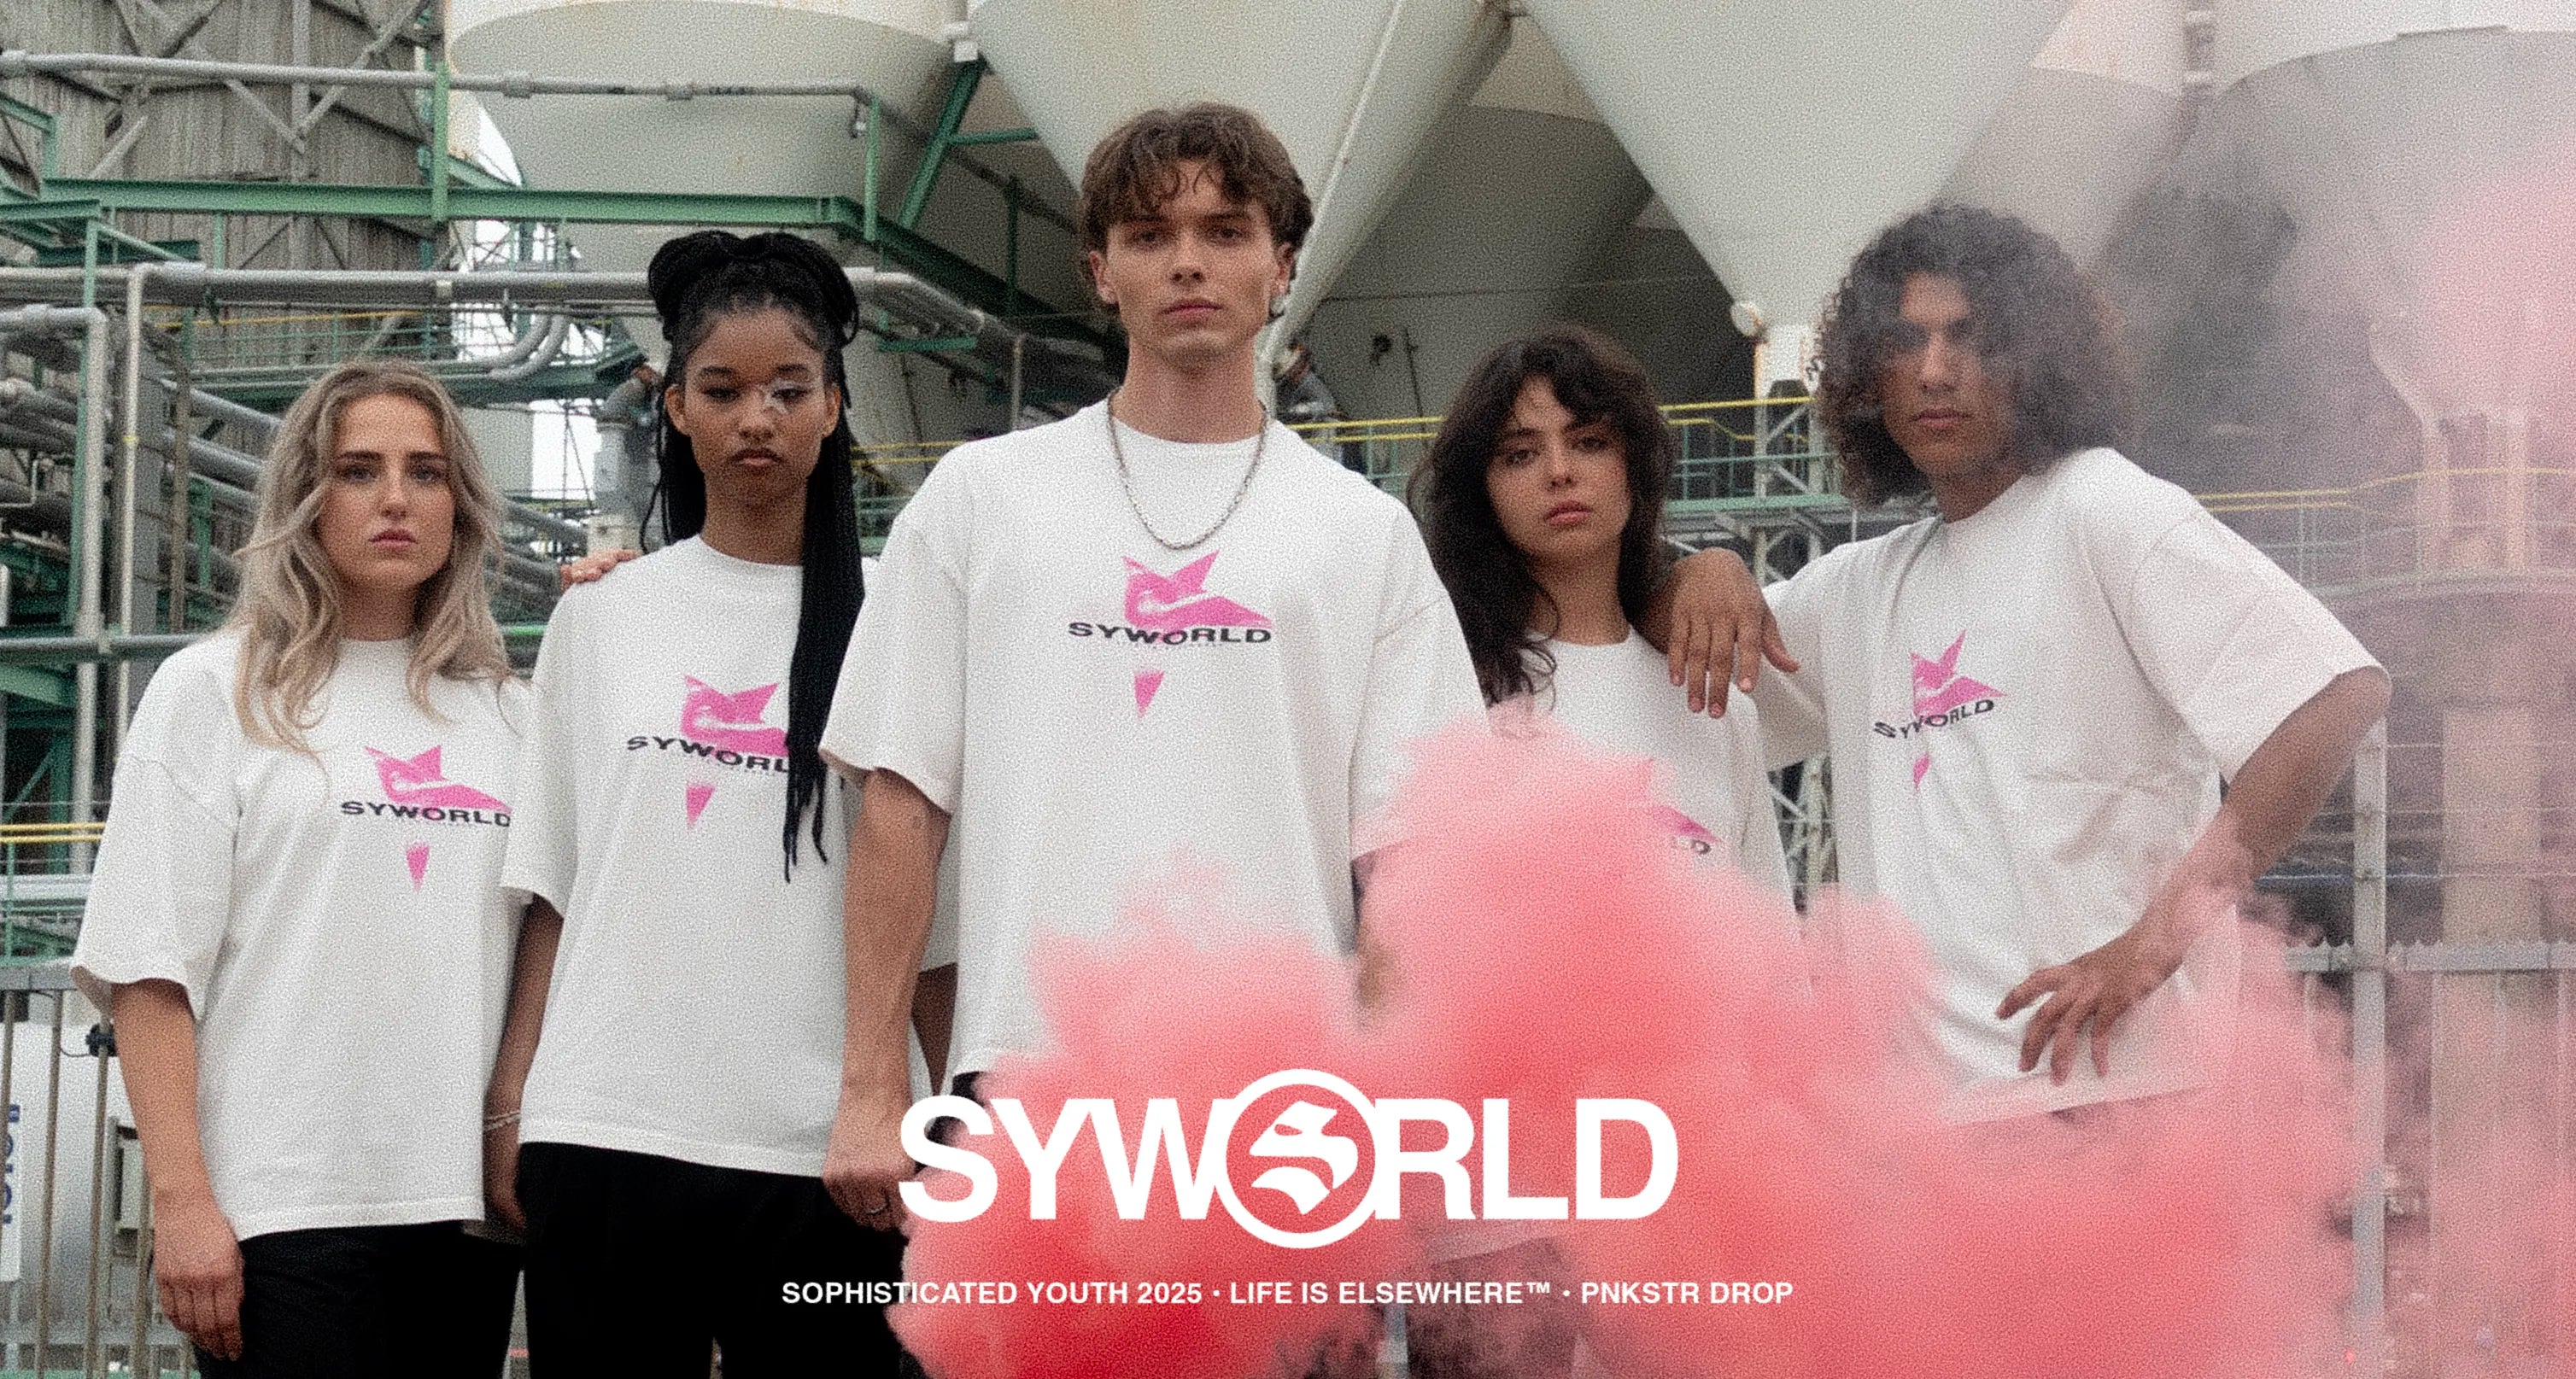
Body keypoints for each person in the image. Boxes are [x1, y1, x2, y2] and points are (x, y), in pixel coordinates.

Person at [819, 102, 1486, 1229]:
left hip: (1286, 1100)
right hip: (1029, 1071)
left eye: (1226, 232)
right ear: (1101, 270)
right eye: (1148, 234)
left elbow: (1409, 856)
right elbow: (900, 801)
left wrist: (1393, 1103)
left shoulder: (1364, 534)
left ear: (1282, 267)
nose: (1188, 262)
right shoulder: (981, 499)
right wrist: (873, 1083)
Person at [1663, 204, 2389, 1120]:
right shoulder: (1860, 589)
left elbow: (2331, 693)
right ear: (1865, 376)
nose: (1935, 370)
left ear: (2040, 360)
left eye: (1973, 339)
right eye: (1906, 341)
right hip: (1925, 1127)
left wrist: (2153, 941)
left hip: (2114, 1096)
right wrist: (1698, 568)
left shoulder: (2103, 509)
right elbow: (1669, 673)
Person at [486, 229, 922, 1373]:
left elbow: (929, 896)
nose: (756, 418)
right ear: (675, 407)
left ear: (834, 406)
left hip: (826, 1152)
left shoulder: (903, 620)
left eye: (789, 389)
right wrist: (513, 1097)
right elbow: (558, 882)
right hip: (610, 1132)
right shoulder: (602, 616)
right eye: (722, 390)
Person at [73, 359, 524, 1375]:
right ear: (305, 498)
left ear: (460, 503)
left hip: (461, 1210)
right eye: (359, 470)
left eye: (426, 472)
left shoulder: (510, 715)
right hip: (279, 1207)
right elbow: (150, 968)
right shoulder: (213, 690)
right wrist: (183, 1199)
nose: (396, 498)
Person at [1415, 324, 1789, 890]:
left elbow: (1768, 931)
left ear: (1633, 466)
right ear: (1482, 491)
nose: (1559, 471)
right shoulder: (1450, 692)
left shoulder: (1718, 709)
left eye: (1589, 442)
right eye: (1520, 454)